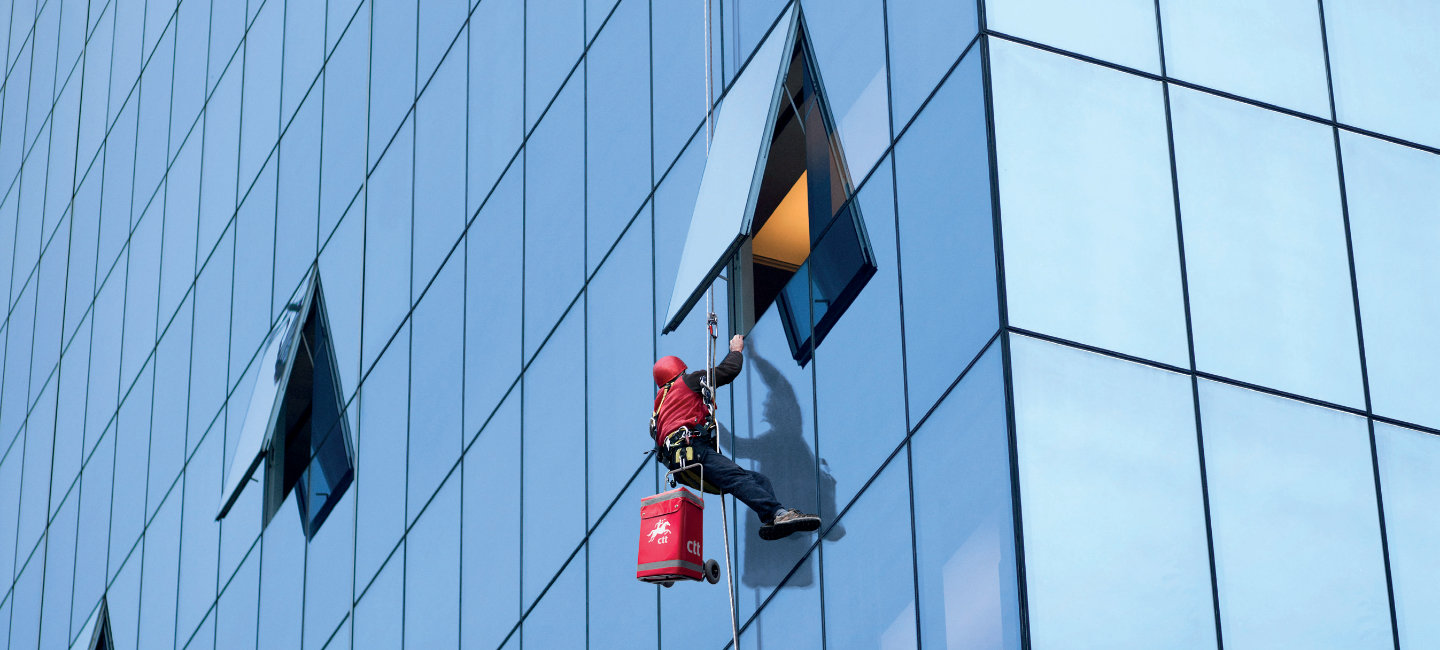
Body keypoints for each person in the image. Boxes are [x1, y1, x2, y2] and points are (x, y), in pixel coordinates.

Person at [651, 334, 821, 541]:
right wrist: (736, 351)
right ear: (680, 371)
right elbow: (728, 371)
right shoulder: (688, 382)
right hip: (695, 450)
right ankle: (779, 515)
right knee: (737, 478)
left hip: (681, 464)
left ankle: (771, 518)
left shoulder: (658, 410)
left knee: (759, 480)